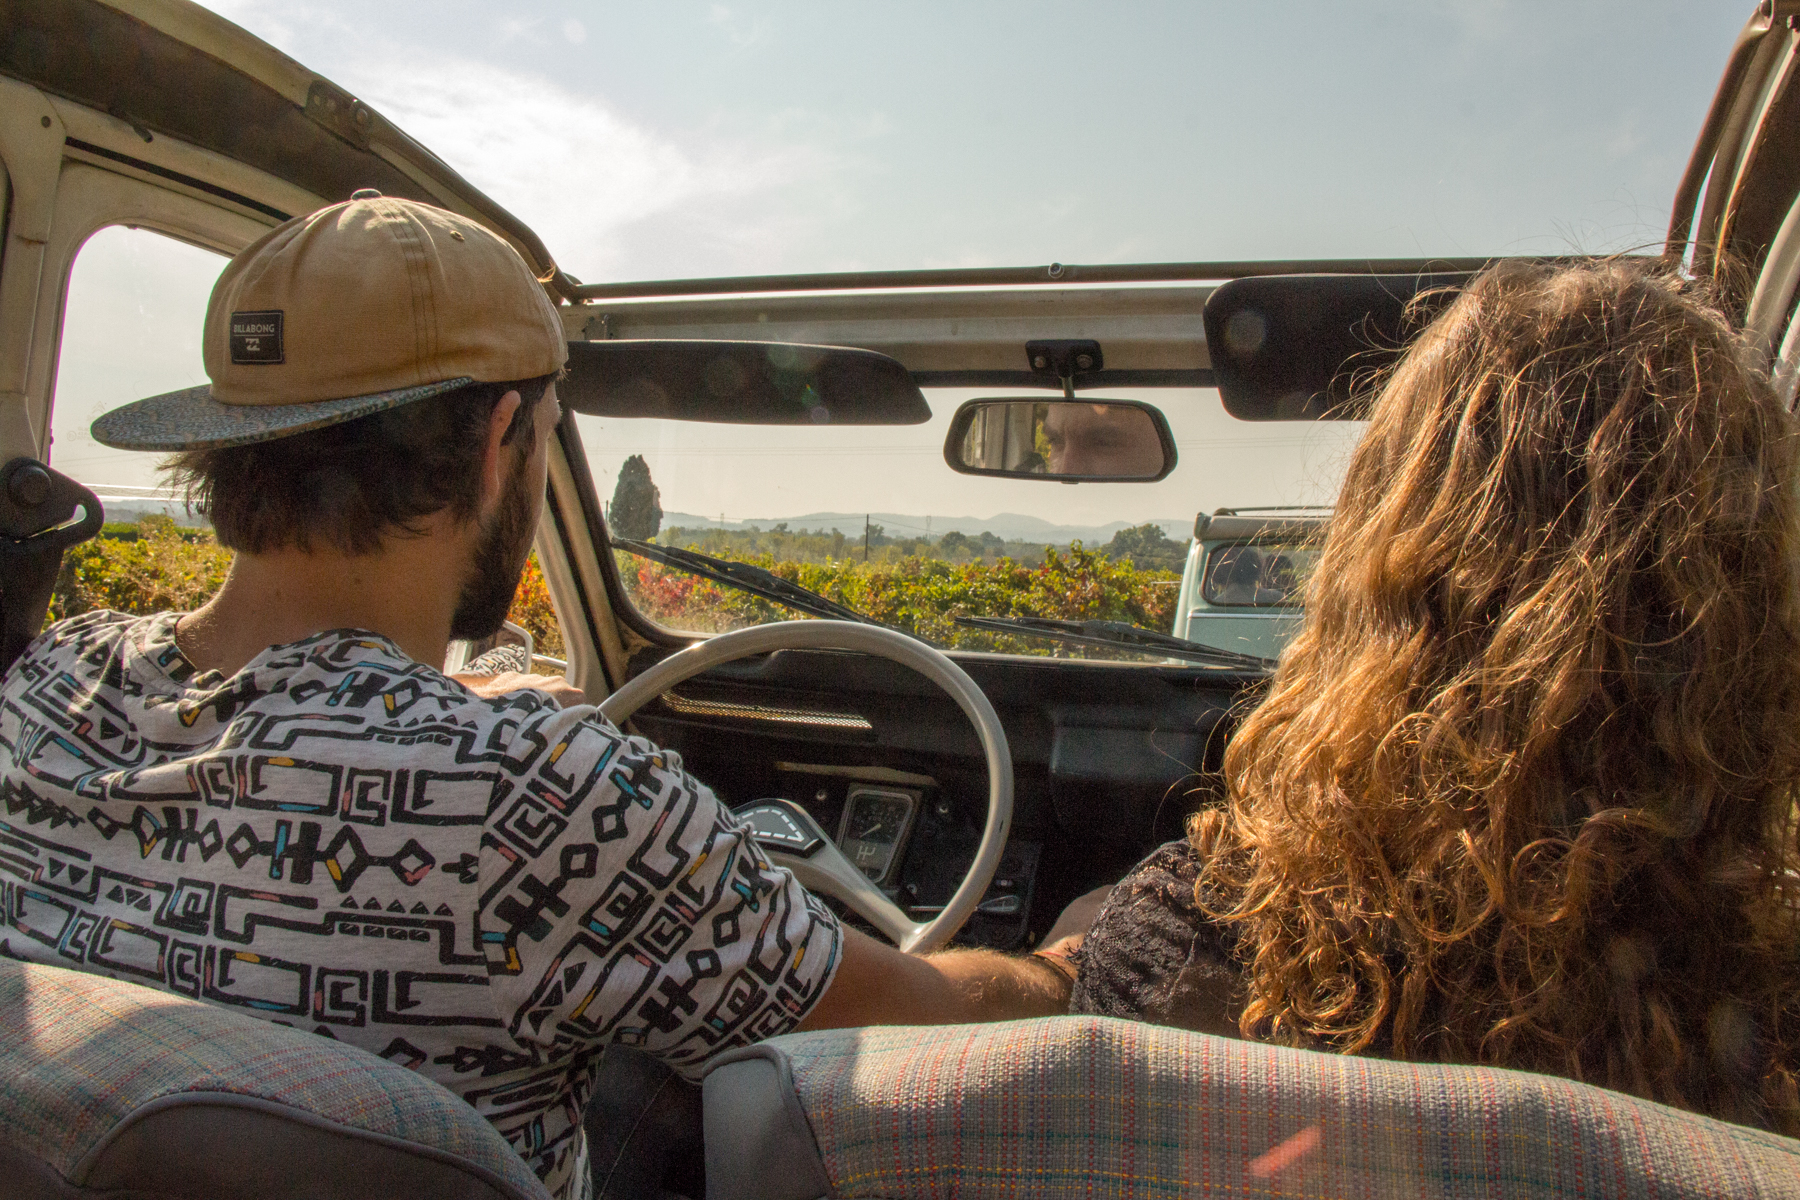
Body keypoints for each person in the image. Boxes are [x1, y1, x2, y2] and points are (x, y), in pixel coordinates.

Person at [0, 195, 1093, 1200]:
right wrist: (1070, 963)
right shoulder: (544, 795)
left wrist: (457, 704)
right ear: (498, 443)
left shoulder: (47, 686)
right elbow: (917, 1030)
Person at [1069, 259, 1800, 1135]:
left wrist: (1076, 951)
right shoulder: (1762, 1007)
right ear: (1750, 601)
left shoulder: (1201, 942)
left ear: (1379, 567)